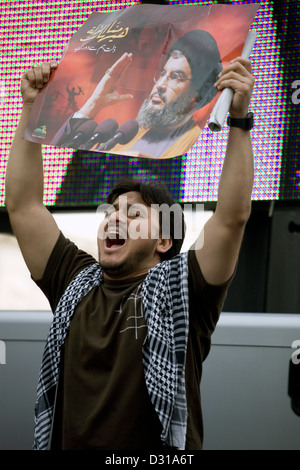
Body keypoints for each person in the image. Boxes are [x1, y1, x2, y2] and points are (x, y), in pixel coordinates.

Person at [5, 54, 255, 450]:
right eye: (111, 211)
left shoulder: (185, 291)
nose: (114, 219)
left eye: (134, 213)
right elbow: (23, 205)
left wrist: (239, 121)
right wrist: (32, 108)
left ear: (164, 241)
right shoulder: (75, 280)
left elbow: (232, 218)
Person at [52, 30, 223, 159]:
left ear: (198, 94)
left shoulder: (195, 146)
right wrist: (94, 104)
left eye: (176, 77)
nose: (160, 85)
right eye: (162, 73)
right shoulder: (125, 134)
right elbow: (55, 154)